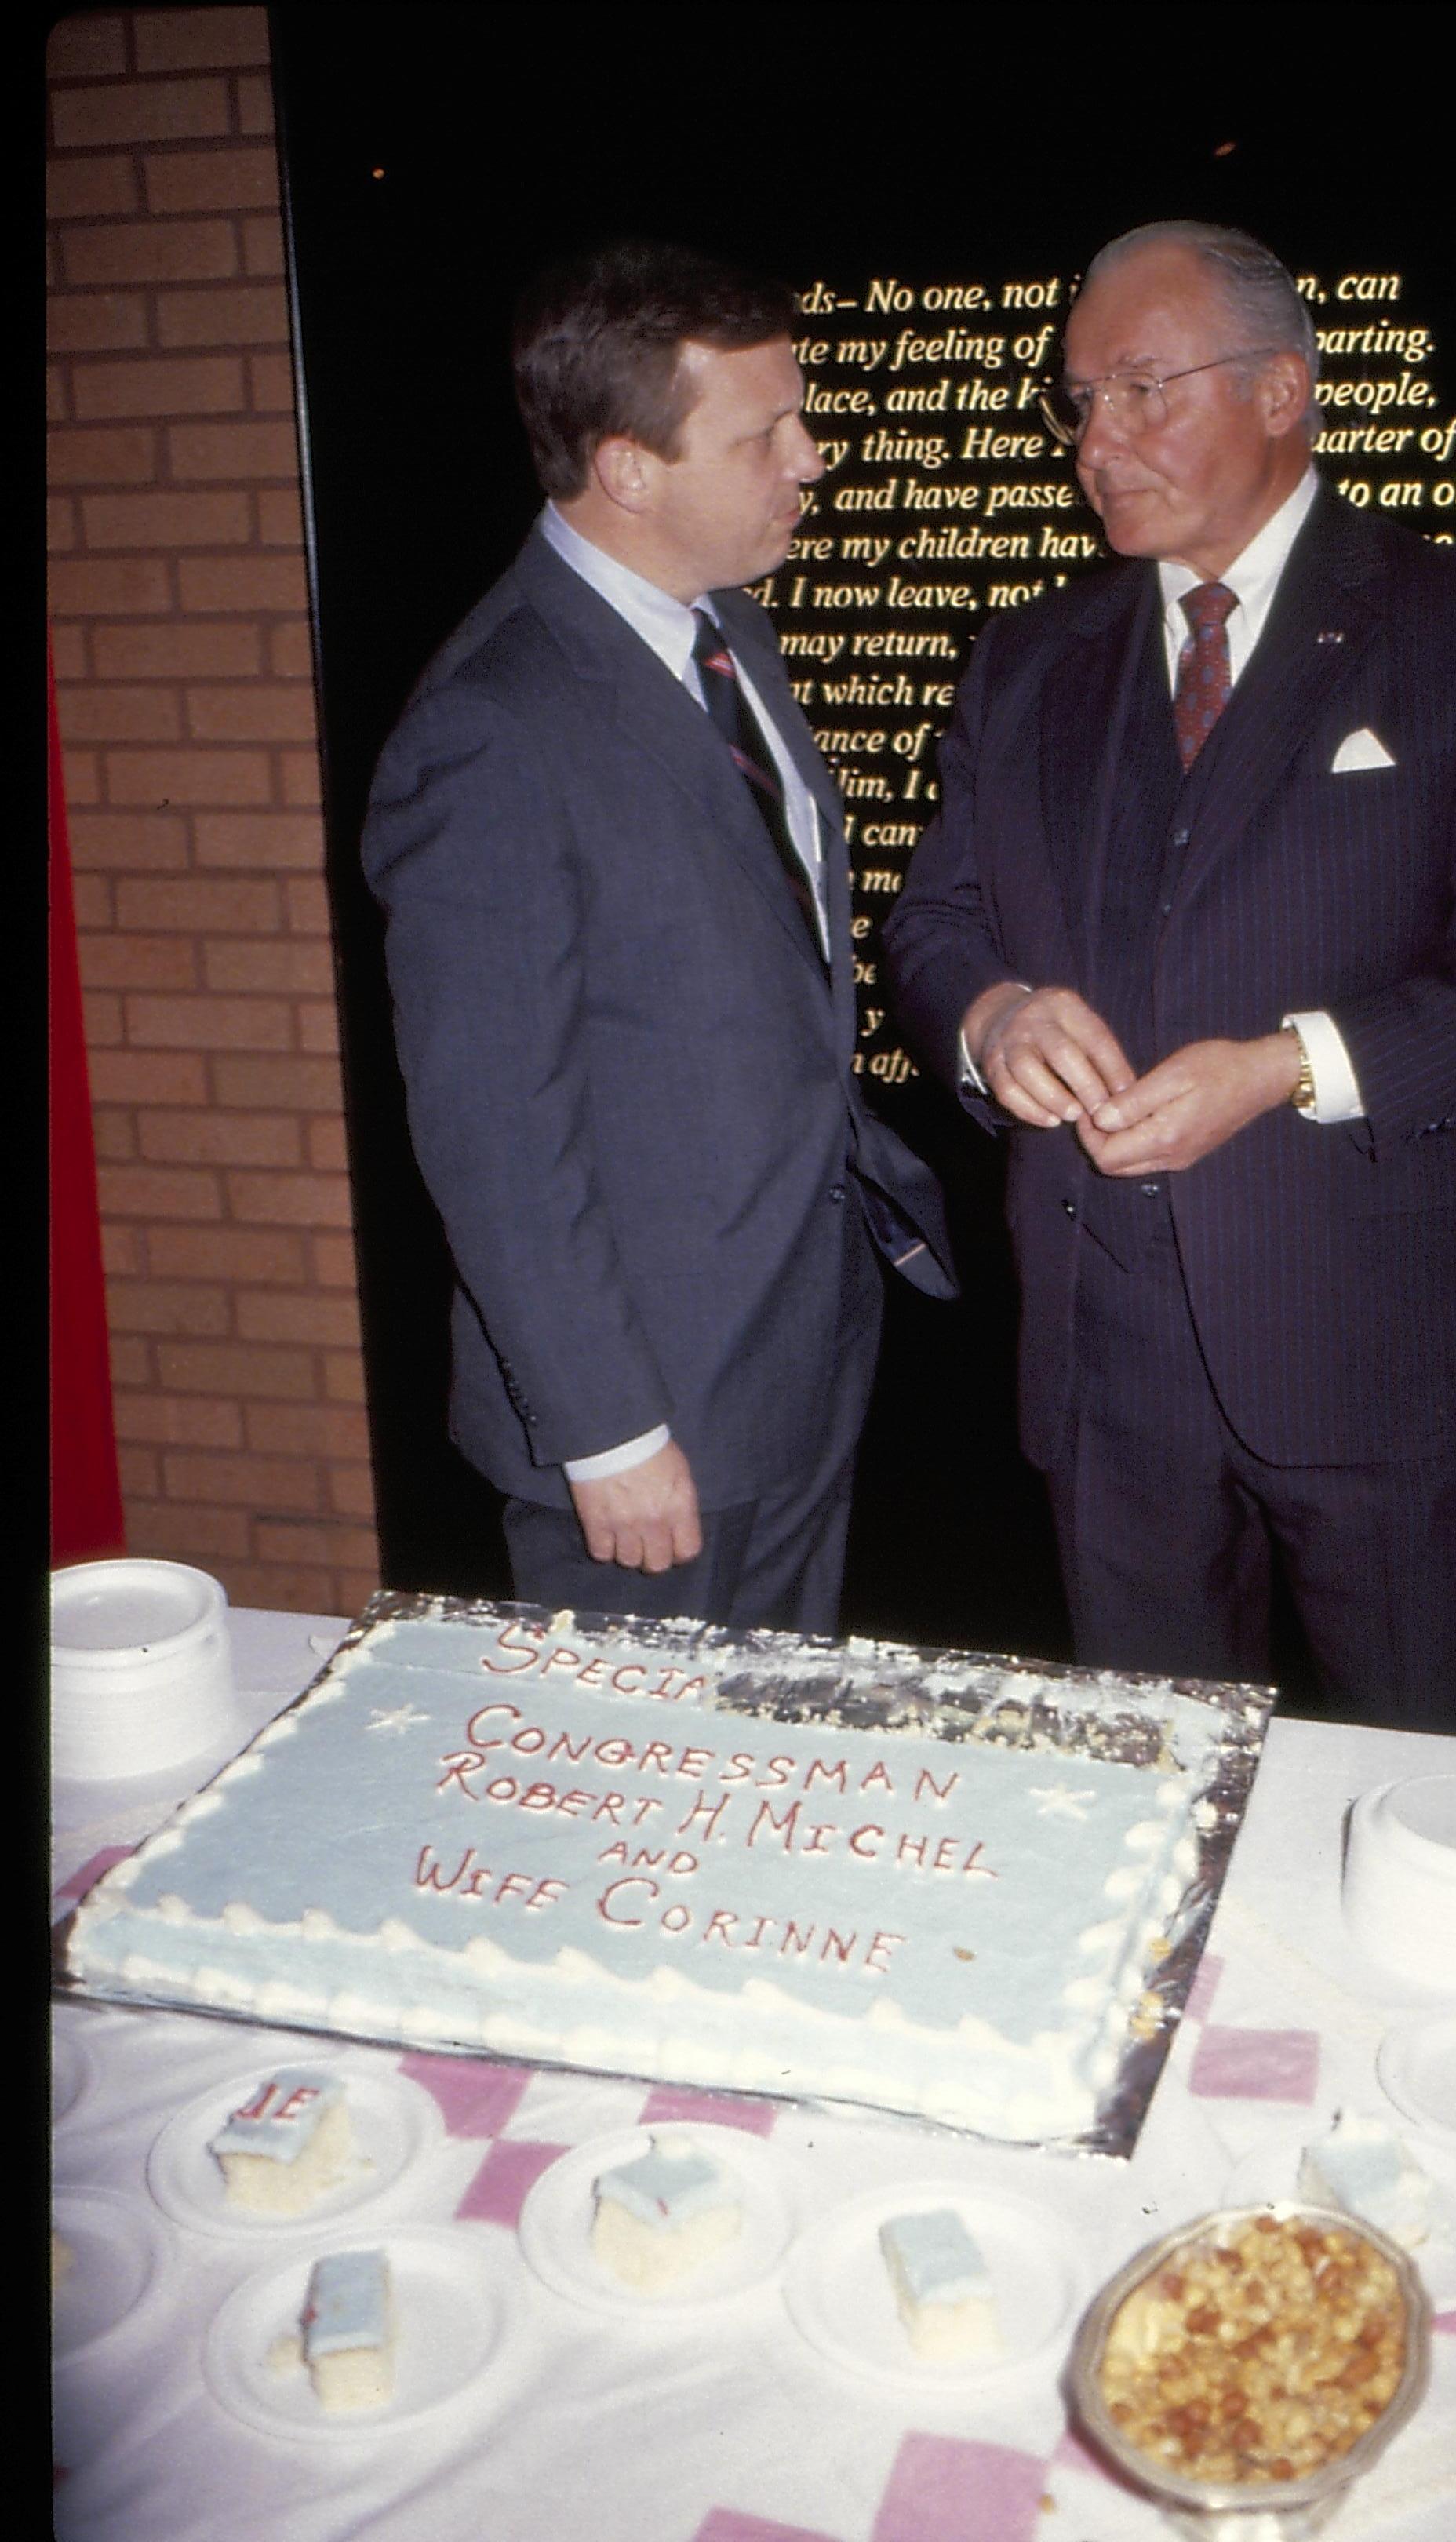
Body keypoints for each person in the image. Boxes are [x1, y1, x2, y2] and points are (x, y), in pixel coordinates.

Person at [883, 220, 1456, 1729]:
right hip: (1106, 1357)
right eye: (1079, 401)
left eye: (1142, 390)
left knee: (1410, 1784)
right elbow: (935, 920)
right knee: (1148, 1788)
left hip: (1374, 1341)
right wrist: (991, 1015)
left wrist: (1289, 1065)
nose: (1098, 440)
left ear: (1282, 390)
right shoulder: (1026, 655)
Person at [363, 238, 953, 1632]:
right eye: (765, 434)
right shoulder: (493, 728)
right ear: (629, 468)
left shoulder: (727, 631)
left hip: (795, 1343)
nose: (810, 458)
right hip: (650, 1415)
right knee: (639, 1806)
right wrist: (608, 1431)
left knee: (779, 1750)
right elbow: (494, 1123)